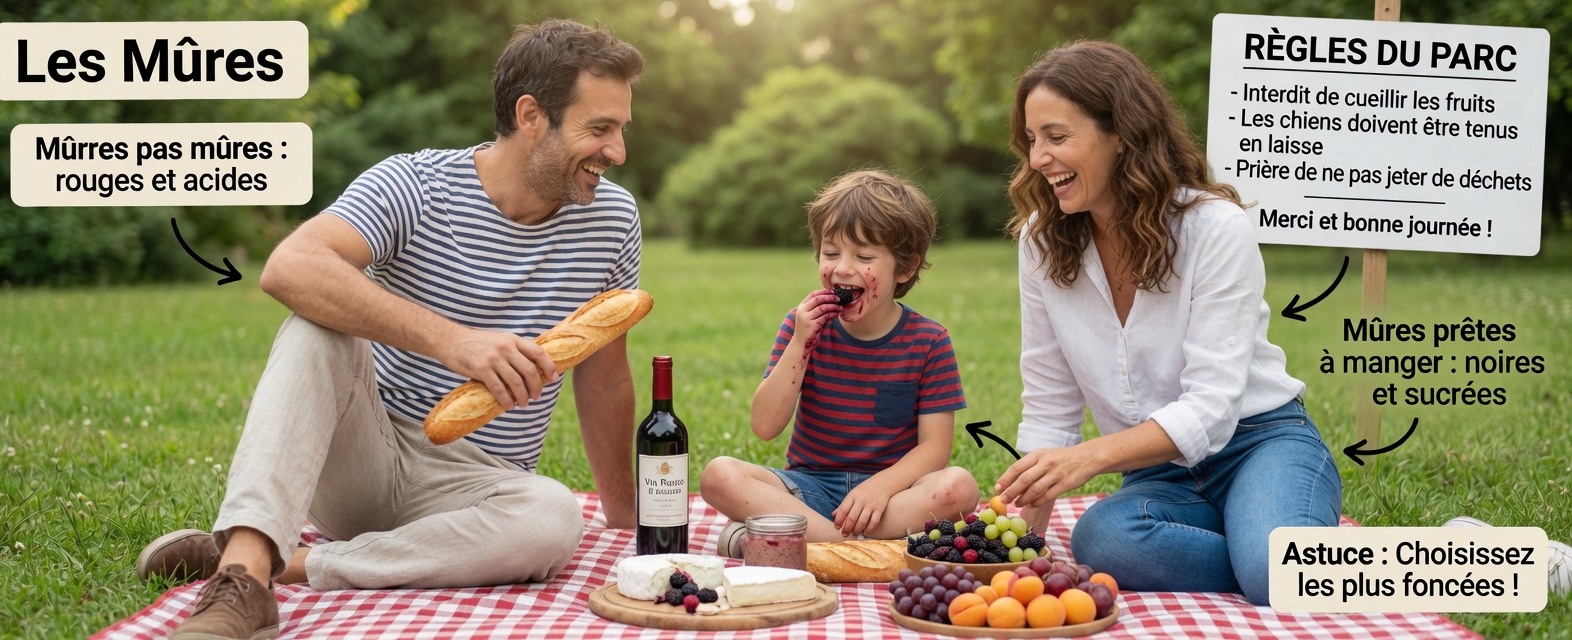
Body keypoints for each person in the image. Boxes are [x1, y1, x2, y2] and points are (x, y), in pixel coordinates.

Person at [133, 19, 645, 639]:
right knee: (316, 328)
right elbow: (291, 266)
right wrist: (452, 340)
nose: (616, 152)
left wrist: (627, 520)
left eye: (620, 130)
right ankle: (242, 581)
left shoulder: (611, 219)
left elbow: (604, 378)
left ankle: (288, 561)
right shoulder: (416, 184)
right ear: (531, 114)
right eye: (600, 129)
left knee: (553, 518)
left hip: (480, 484)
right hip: (366, 454)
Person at [991, 40, 1341, 606]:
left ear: (1122, 133)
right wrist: (1020, 538)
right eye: (1032, 141)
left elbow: (1212, 406)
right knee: (1102, 538)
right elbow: (1051, 399)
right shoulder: (1041, 240)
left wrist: (1084, 459)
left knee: (1277, 576)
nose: (1037, 159)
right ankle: (1268, 547)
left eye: (1056, 137)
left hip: (1258, 442)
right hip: (1161, 473)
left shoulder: (1215, 230)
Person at [700, 169, 980, 555]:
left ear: (905, 267)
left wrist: (880, 486)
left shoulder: (929, 341)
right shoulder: (800, 327)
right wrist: (800, 343)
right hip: (806, 491)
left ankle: (789, 539)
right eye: (831, 253)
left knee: (959, 486)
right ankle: (855, 548)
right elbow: (764, 427)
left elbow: (934, 449)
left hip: (889, 498)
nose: (842, 268)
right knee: (719, 475)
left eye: (863, 256)